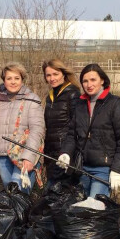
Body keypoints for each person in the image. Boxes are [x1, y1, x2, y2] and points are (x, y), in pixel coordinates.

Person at [57, 63, 120, 198]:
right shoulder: (80, 104)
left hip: (103, 167)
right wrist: (66, 153)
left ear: (102, 80)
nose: (88, 84)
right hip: (81, 167)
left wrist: (117, 170)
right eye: (85, 81)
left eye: (93, 80)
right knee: (82, 211)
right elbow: (72, 134)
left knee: (93, 209)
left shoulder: (115, 104)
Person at [0, 63, 45, 194]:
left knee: (19, 192)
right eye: (9, 78)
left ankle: (25, 214)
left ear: (22, 79)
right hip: (2, 156)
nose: (13, 82)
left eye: (16, 78)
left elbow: (37, 130)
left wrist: (29, 157)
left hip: (23, 156)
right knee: (10, 196)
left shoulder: (32, 100)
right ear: (4, 80)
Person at [41, 58, 81, 187]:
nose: (52, 78)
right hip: (51, 154)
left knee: (59, 194)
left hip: (65, 155)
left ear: (63, 74)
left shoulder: (72, 94)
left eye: (55, 74)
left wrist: (68, 153)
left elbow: (76, 127)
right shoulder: (50, 96)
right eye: (48, 75)